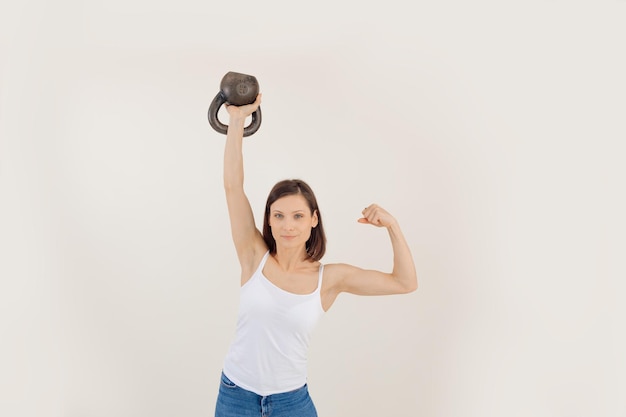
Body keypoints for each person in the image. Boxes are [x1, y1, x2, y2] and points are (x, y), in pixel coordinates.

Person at [214, 93, 418, 417]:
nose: (287, 225)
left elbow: (405, 282)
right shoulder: (253, 257)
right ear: (268, 219)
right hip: (236, 395)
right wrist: (237, 120)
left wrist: (392, 226)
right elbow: (232, 186)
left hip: (290, 403)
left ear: (313, 220)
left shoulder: (330, 279)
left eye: (297, 216)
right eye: (278, 215)